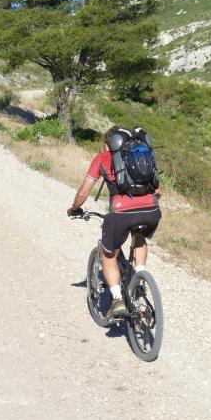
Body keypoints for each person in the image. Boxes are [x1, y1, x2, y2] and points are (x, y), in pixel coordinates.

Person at [67, 126, 162, 318]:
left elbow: (84, 192)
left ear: (107, 144)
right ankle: (140, 275)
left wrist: (74, 208)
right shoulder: (141, 156)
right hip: (152, 211)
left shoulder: (102, 159)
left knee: (109, 255)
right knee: (139, 235)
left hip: (120, 214)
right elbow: (158, 190)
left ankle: (117, 300)